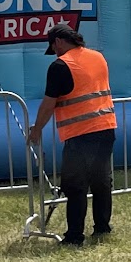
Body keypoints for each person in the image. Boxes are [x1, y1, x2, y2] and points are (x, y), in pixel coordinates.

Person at [26, 25, 117, 247]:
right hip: (106, 126)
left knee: (75, 185)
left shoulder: (60, 66)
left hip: (81, 133)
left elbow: (49, 104)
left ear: (58, 42)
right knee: (101, 181)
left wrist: (37, 129)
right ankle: (102, 227)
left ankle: (75, 236)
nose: (55, 52)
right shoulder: (98, 57)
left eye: (54, 47)